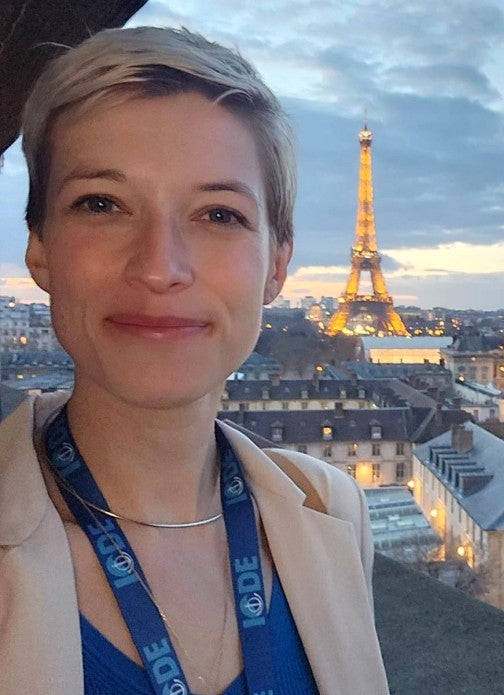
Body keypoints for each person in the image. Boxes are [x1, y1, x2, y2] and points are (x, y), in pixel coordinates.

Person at [0, 26, 389, 694]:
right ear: (40, 247)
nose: (160, 266)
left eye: (218, 214)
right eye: (103, 204)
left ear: (277, 264)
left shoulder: (335, 511)